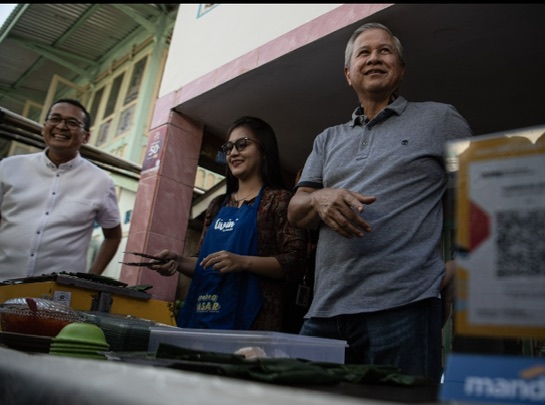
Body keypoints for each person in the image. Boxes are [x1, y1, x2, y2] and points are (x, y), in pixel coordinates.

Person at [287, 22, 472, 382]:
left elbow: (481, 189)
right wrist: (321, 197)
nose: (374, 58)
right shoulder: (327, 139)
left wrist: (463, 263)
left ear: (401, 67)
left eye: (385, 51)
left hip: (405, 306)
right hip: (324, 312)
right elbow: (297, 210)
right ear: (348, 73)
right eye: (364, 52)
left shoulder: (439, 119)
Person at [149, 116, 308, 331]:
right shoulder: (217, 205)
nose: (233, 153)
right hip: (204, 314)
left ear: (264, 151)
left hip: (253, 322)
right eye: (229, 147)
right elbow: (204, 264)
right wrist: (177, 261)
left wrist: (242, 262)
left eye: (242, 144)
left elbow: (295, 262)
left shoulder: (278, 200)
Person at [0, 98, 122, 281]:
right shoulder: (8, 167)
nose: (61, 126)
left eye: (72, 123)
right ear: (44, 127)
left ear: (86, 137)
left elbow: (113, 235)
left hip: (59, 293)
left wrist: (90, 278)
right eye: (55, 119)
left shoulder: (101, 181)